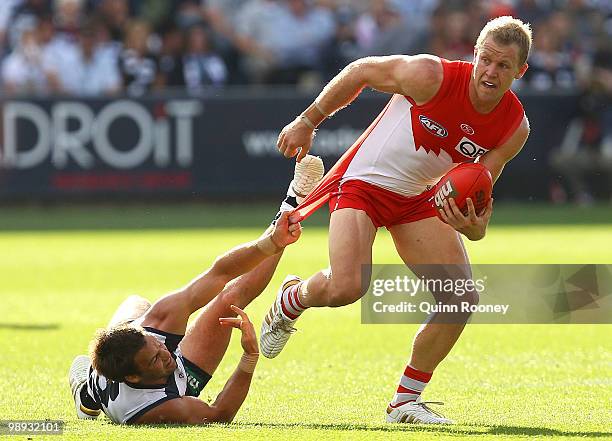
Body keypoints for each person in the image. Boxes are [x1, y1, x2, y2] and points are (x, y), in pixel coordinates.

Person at [260, 16, 532, 424]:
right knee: (347, 287)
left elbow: (479, 192)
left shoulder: (514, 127)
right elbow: (361, 71)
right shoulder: (430, 76)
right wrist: (308, 119)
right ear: (473, 53)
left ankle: (405, 402)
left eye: (503, 66)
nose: (490, 72)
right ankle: (292, 299)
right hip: (364, 185)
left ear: (520, 71)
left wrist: (474, 227)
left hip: (420, 199)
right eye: (486, 59)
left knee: (460, 298)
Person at [68, 156, 324, 425]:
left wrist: (272, 241)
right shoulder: (152, 409)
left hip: (137, 344)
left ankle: (292, 200)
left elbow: (221, 272)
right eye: (155, 359)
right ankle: (88, 395)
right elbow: (219, 414)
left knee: (137, 303)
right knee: (226, 303)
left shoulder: (157, 323)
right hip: (169, 388)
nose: (166, 353)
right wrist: (250, 356)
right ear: (133, 377)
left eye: (156, 344)